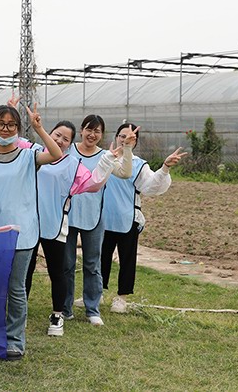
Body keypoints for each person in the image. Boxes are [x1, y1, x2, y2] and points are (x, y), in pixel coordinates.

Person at [0, 104, 63, 361]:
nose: (6, 128)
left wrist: (39, 128)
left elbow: (55, 154)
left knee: (16, 288)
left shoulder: (28, 156)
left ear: (18, 129)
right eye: (1, 123)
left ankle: (14, 341)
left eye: (11, 124)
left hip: (24, 233)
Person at [24, 120, 131, 336]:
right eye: (57, 135)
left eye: (66, 138)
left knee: (75, 267)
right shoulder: (34, 152)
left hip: (65, 221)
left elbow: (94, 183)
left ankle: (71, 312)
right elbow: (8, 144)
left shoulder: (73, 163)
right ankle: (28, 311)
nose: (60, 141)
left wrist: (111, 158)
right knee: (37, 267)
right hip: (35, 221)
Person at [101, 124, 187, 313]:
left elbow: (151, 186)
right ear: (115, 137)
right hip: (103, 218)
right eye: (122, 136)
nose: (124, 140)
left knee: (127, 259)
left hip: (127, 219)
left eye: (129, 138)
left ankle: (121, 298)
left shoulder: (138, 164)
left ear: (135, 141)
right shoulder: (104, 158)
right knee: (99, 259)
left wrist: (164, 168)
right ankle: (95, 293)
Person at [62, 115, 135, 326]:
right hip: (68, 215)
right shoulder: (70, 150)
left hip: (94, 216)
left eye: (97, 132)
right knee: (66, 264)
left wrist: (127, 148)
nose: (92, 135)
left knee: (93, 264)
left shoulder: (106, 155)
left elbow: (125, 172)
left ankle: (92, 309)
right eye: (88, 130)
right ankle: (65, 308)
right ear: (81, 130)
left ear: (102, 135)